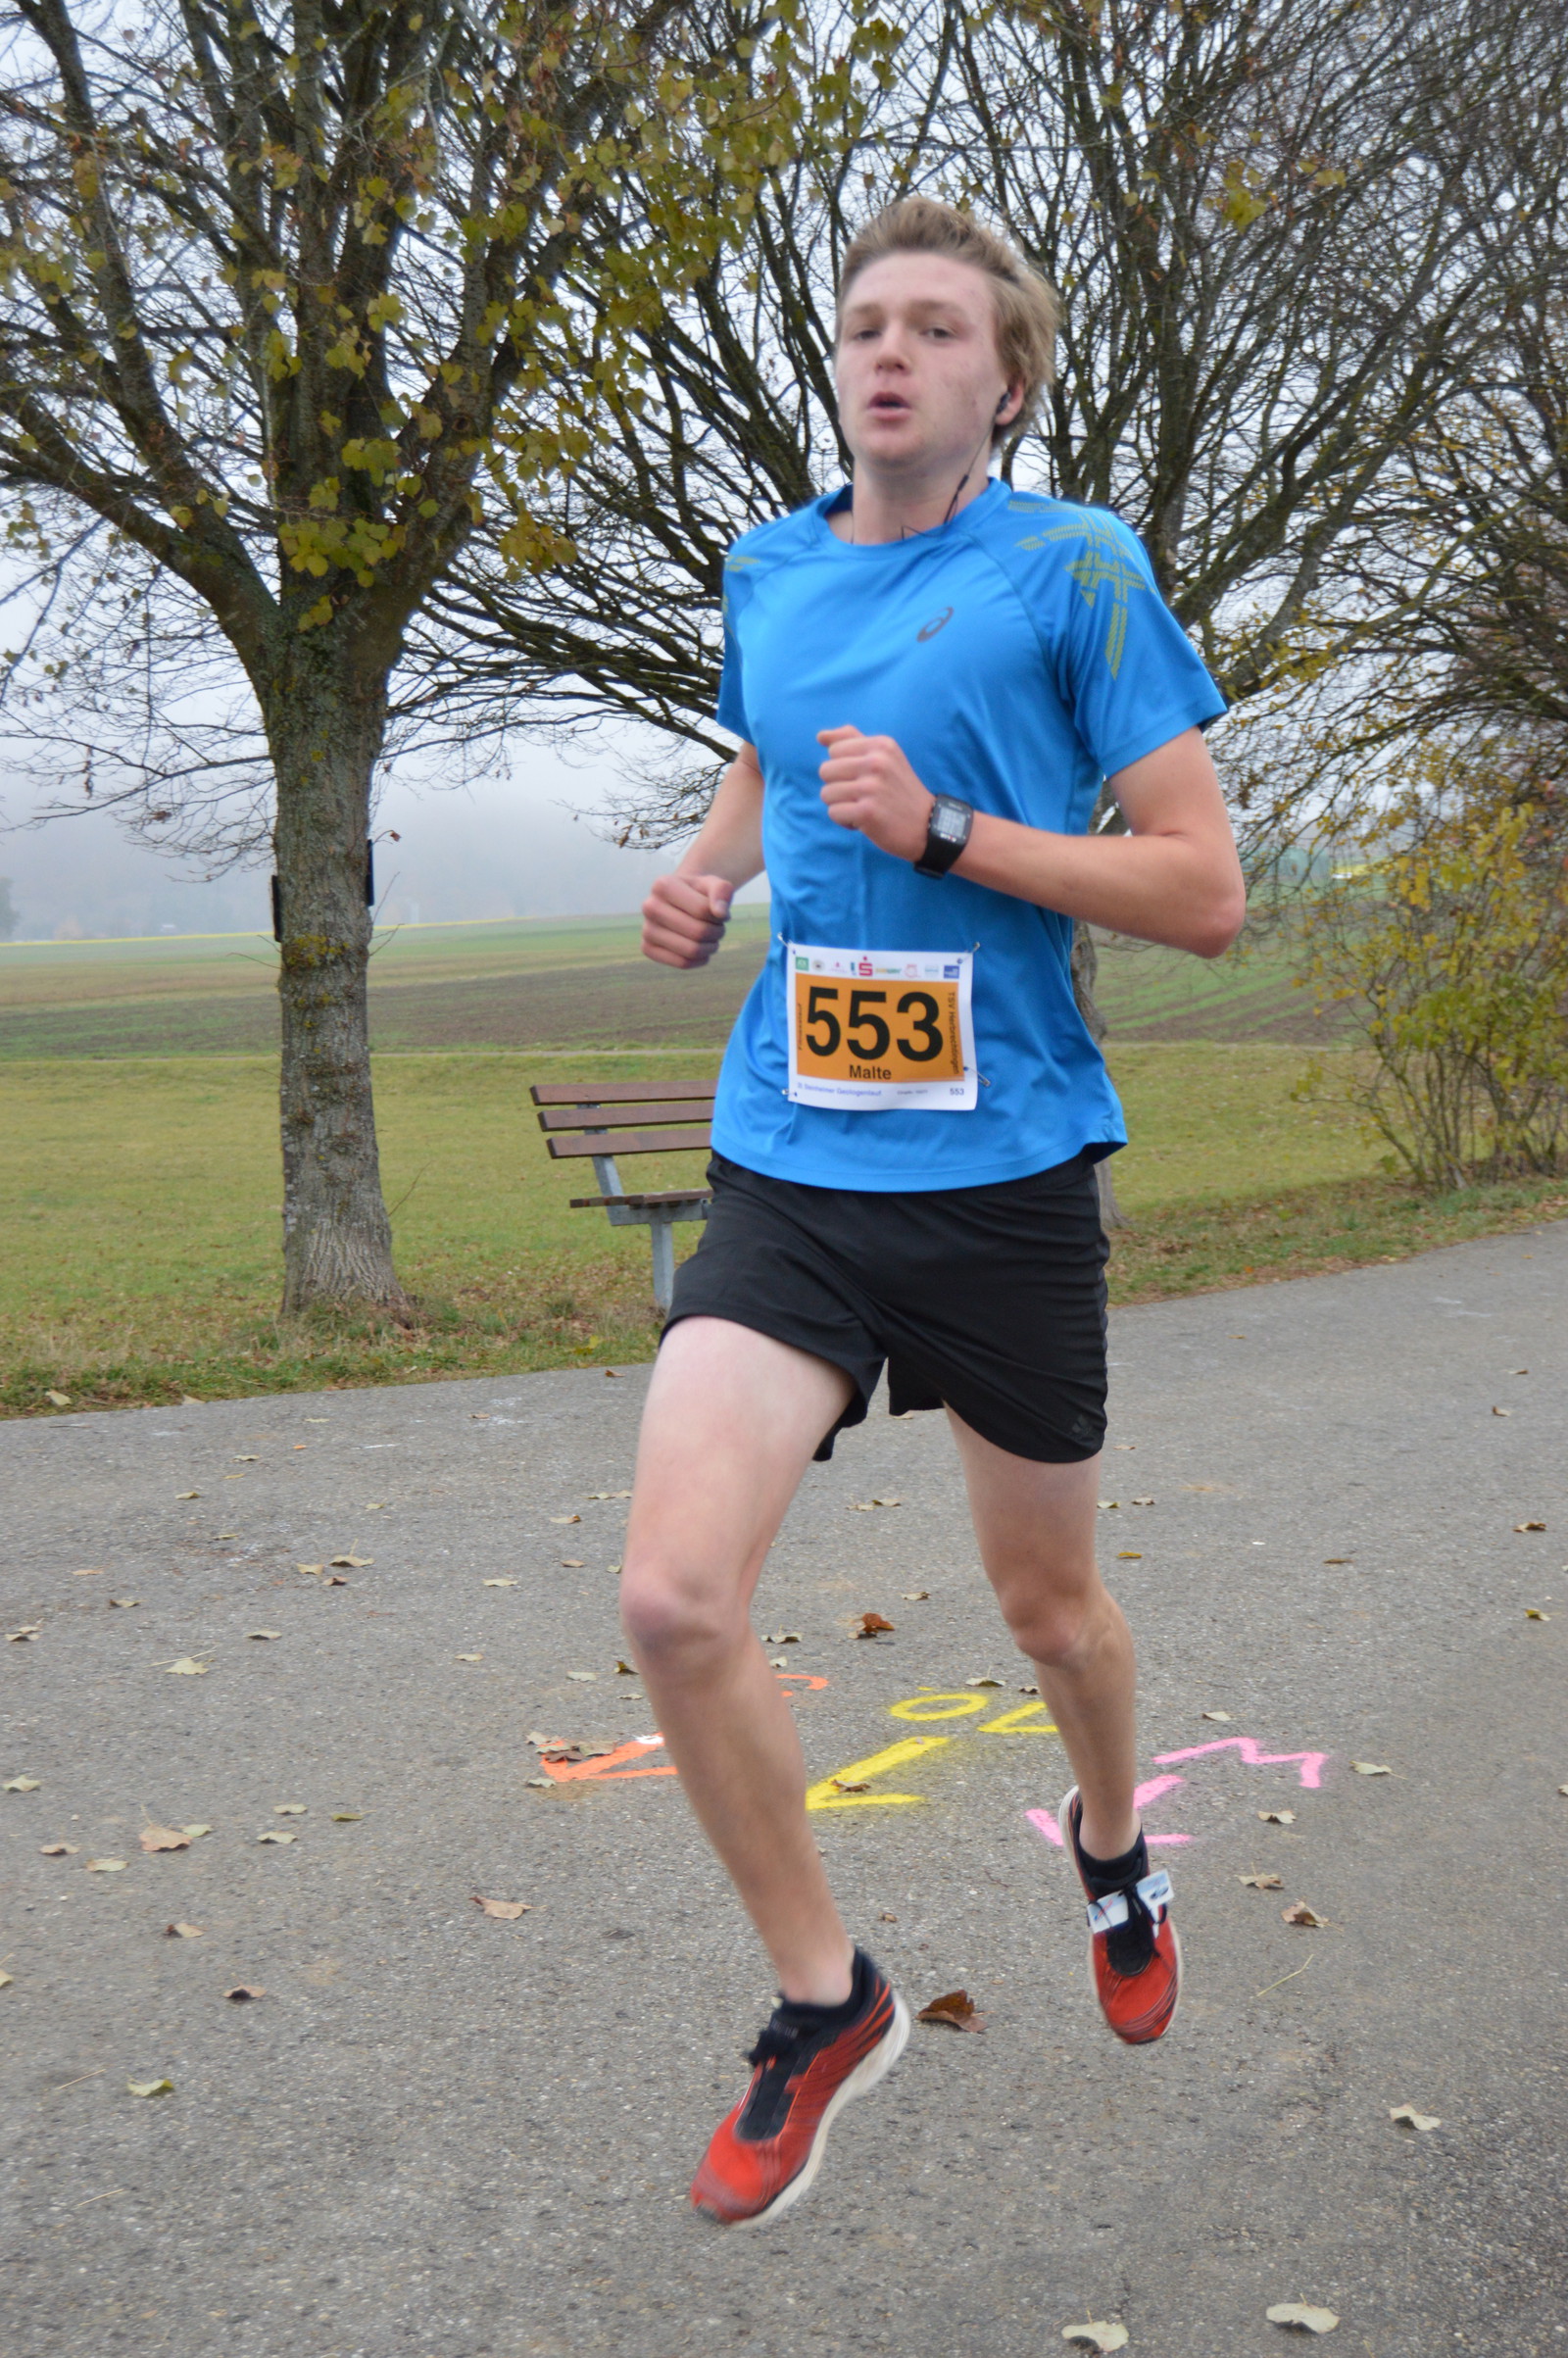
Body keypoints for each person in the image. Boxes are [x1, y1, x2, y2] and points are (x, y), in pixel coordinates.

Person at [621, 195, 1246, 2228]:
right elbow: (767, 756)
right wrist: (710, 867)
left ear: (1005, 380)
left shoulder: (1075, 567)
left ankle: (1109, 1844)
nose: (887, 351)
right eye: (863, 322)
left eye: (935, 328)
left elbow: (1202, 889)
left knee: (1049, 1611)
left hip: (1004, 1177)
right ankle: (830, 2000)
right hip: (794, 1156)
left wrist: (956, 831)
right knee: (673, 1599)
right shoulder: (770, 567)